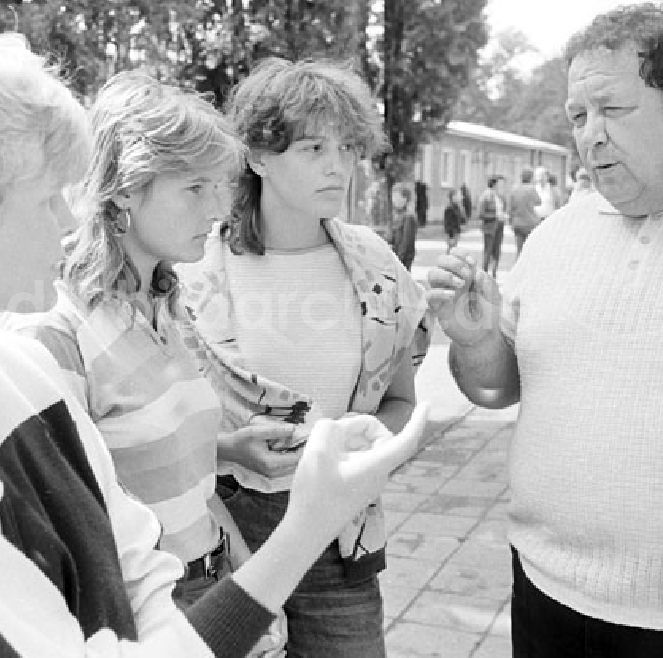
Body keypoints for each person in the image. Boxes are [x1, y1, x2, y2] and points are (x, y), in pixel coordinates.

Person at [0, 30, 430, 657]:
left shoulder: (21, 372)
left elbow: (135, 560)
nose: (72, 219)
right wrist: (306, 528)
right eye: (48, 198)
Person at [428, 4, 663, 656]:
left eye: (612, 110)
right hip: (546, 599)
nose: (588, 136)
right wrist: (476, 343)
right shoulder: (557, 234)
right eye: (576, 116)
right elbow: (496, 392)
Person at [0, 71, 286, 655]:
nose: (219, 209)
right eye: (195, 189)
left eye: (220, 187)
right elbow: (69, 517)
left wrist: (243, 576)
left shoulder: (164, 300)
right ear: (126, 189)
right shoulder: (55, 333)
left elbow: (172, 474)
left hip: (209, 581)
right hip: (147, 619)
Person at [178, 57, 428, 657]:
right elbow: (141, 429)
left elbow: (399, 403)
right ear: (258, 156)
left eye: (348, 148)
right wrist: (225, 449)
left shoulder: (375, 268)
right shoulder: (190, 272)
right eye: (313, 148)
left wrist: (369, 449)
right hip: (221, 533)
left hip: (338, 537)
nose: (338, 166)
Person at [475, 174, 507, 276]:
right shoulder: (486, 196)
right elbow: (480, 213)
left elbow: (503, 209)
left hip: (500, 225)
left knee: (497, 248)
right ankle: (484, 271)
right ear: (494, 184)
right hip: (490, 225)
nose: (501, 187)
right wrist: (495, 216)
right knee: (488, 249)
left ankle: (494, 272)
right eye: (499, 184)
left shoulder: (499, 196)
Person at [508, 168, 542, 259]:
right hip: (530, 223)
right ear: (531, 178)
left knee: (519, 250)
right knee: (529, 250)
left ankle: (518, 269)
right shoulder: (531, 189)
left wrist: (511, 222)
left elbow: (510, 209)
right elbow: (538, 201)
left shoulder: (514, 190)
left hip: (518, 224)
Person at [390, 182, 418, 270]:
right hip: (395, 257)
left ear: (405, 199)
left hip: (402, 259)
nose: (394, 200)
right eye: (393, 196)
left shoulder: (408, 217)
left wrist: (399, 259)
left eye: (396, 197)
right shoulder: (396, 215)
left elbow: (406, 242)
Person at [442, 188, 466, 252]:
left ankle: (448, 259)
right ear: (453, 197)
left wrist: (462, 208)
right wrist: (451, 236)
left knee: (453, 249)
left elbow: (462, 220)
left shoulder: (457, 207)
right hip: (452, 233)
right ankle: (446, 260)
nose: (460, 197)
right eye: (458, 195)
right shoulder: (449, 208)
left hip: (456, 231)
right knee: (451, 249)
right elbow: (447, 223)